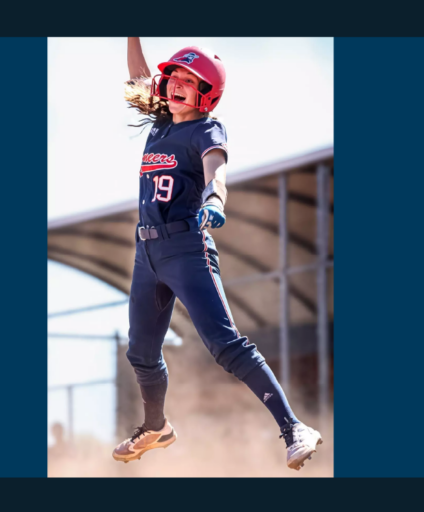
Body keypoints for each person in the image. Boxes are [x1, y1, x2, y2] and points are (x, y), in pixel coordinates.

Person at [112, 38, 322, 470]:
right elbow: (138, 79)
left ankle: (295, 428)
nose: (176, 85)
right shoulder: (163, 122)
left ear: (207, 94)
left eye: (189, 81)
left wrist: (214, 200)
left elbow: (216, 169)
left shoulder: (206, 129)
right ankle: (156, 427)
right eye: (174, 77)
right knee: (140, 353)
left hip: (187, 249)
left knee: (226, 345)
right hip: (147, 252)